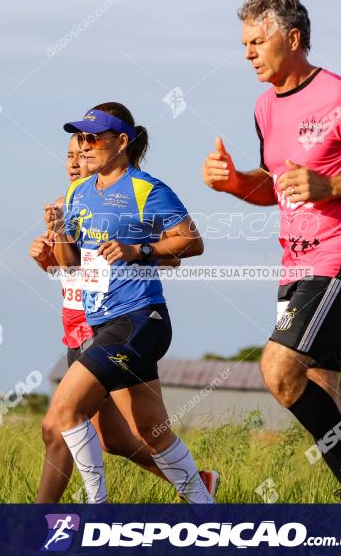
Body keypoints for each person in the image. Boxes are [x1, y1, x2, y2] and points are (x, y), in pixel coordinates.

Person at [202, 0, 341, 503]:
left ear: (293, 38)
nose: (248, 53)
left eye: (257, 41)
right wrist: (235, 182)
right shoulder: (263, 106)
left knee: (278, 370)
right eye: (244, 43)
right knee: (320, 390)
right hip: (293, 263)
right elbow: (275, 186)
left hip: (340, 256)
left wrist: (333, 186)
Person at [41, 102, 217, 504]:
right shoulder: (77, 192)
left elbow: (191, 241)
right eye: (80, 138)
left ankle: (97, 510)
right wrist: (57, 233)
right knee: (151, 431)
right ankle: (206, 510)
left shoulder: (146, 188)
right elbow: (70, 266)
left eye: (93, 138)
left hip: (140, 319)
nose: (84, 147)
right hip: (100, 323)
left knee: (67, 410)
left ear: (121, 141)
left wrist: (139, 248)